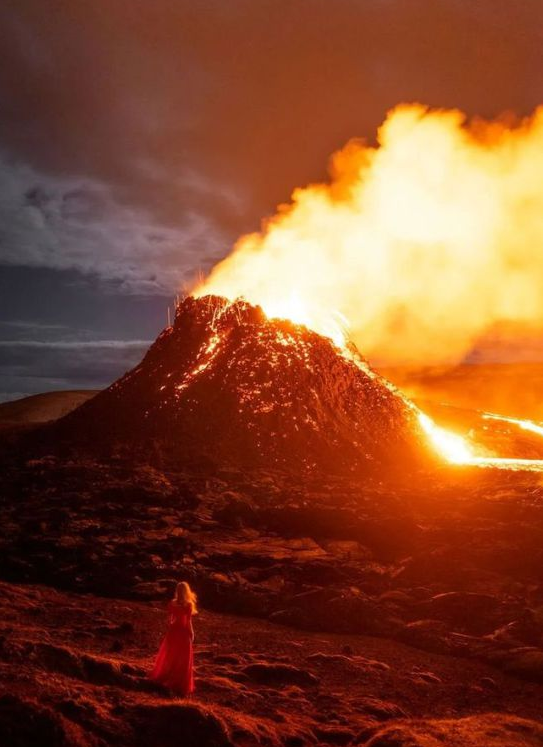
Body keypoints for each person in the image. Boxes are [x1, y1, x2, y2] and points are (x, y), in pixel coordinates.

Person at [150, 581, 196, 695]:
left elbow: (169, 620)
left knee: (171, 655)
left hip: (174, 631)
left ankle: (168, 676)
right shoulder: (188, 605)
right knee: (183, 657)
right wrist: (192, 633)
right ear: (186, 592)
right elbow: (188, 622)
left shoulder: (172, 603)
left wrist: (171, 628)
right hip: (183, 631)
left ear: (177, 591)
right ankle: (179, 682)